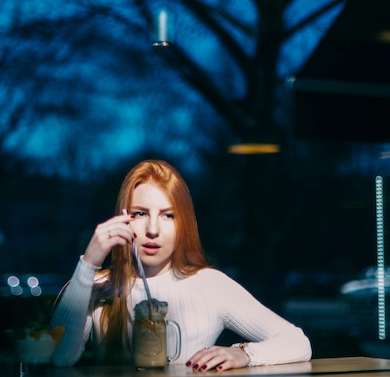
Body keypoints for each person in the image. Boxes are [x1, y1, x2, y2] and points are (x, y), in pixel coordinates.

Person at [50, 159, 311, 371]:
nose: (153, 229)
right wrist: (88, 264)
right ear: (123, 218)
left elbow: (298, 342)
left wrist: (243, 353)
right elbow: (58, 358)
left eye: (168, 215)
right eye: (140, 213)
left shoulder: (209, 285)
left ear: (183, 224)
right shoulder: (97, 286)